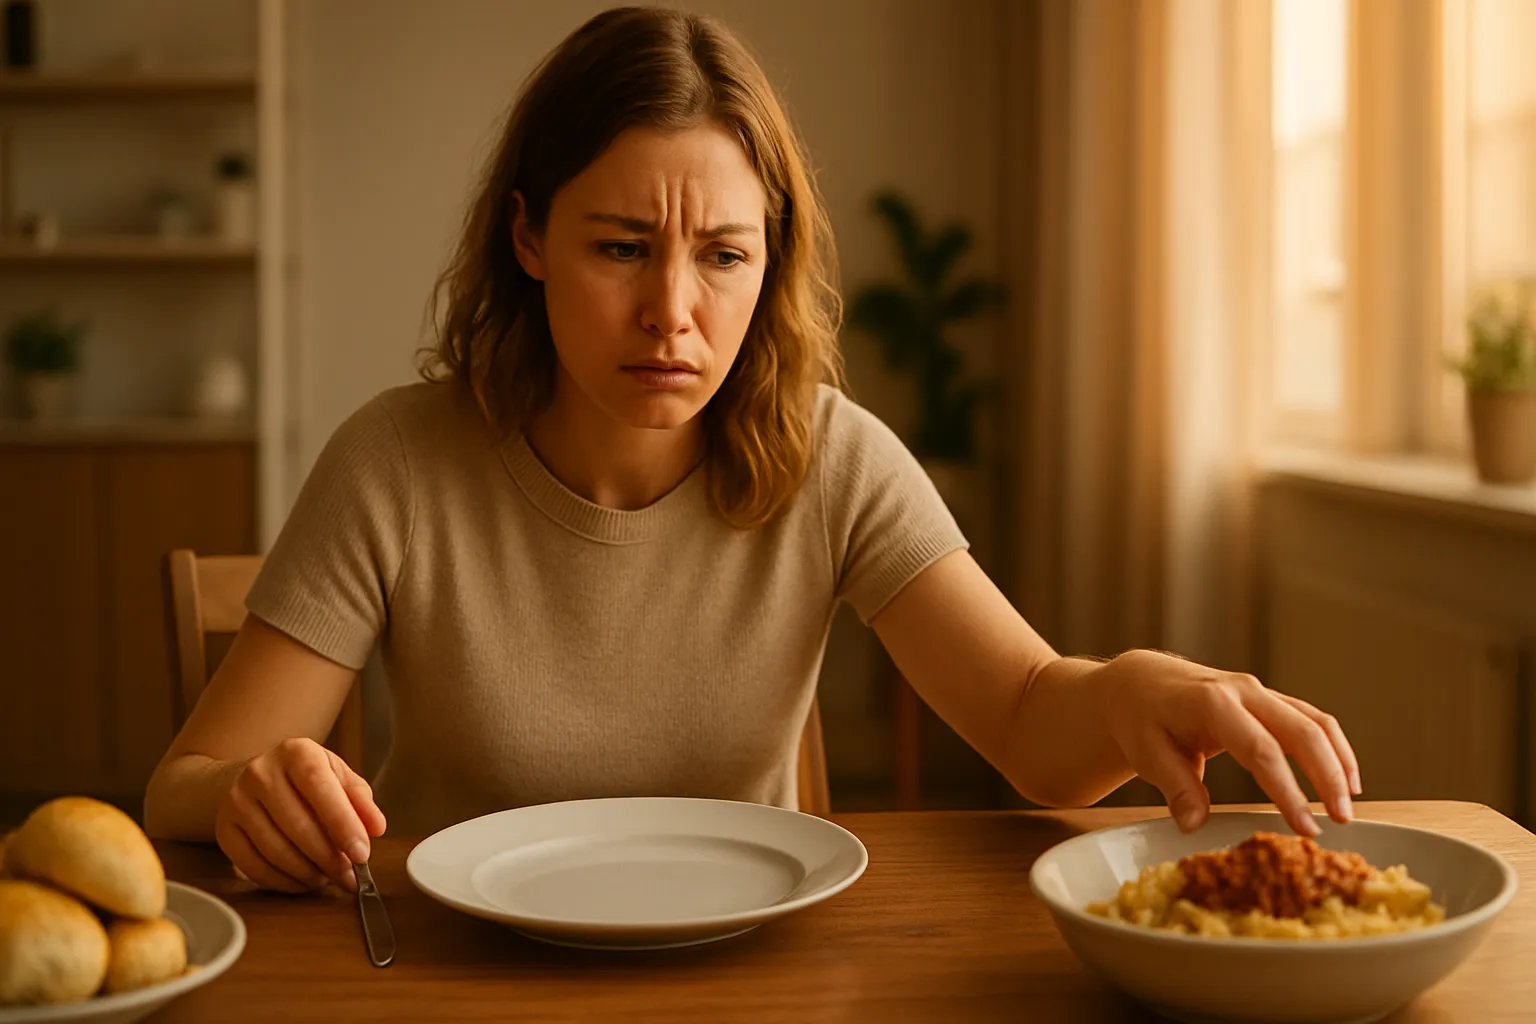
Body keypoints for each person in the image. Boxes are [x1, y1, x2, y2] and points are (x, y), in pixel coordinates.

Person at [143, 6, 1360, 895]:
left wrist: (1140, 683)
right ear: (528, 235)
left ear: (768, 259)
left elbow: (1034, 718)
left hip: (751, 976)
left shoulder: (835, 459)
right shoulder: (394, 464)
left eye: (723, 255)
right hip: (452, 975)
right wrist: (245, 790)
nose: (674, 310)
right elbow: (187, 777)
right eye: (621, 247)